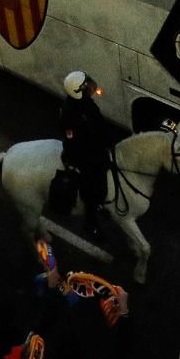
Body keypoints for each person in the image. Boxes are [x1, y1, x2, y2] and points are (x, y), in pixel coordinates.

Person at [58, 70, 112, 238]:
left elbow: (99, 124)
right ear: (78, 91)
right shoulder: (70, 113)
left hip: (94, 146)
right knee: (92, 183)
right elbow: (74, 142)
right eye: (86, 85)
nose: (90, 86)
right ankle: (91, 221)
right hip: (81, 154)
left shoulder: (86, 103)